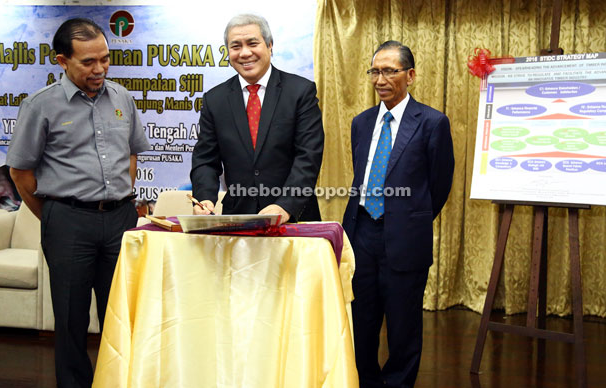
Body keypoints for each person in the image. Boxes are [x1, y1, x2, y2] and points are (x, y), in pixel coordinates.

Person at [6, 18, 150, 388]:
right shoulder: (41, 105)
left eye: (105, 58)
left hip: (120, 219)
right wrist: (55, 215)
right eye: (88, 62)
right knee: (70, 318)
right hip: (68, 221)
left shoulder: (122, 98)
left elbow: (132, 155)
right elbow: (20, 172)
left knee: (121, 311)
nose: (99, 68)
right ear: (62, 61)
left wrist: (120, 197)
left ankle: (118, 380)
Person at [342, 41, 455, 387]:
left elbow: (439, 185)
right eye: (375, 71)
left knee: (404, 328)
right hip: (361, 235)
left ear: (410, 75)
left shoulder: (432, 123)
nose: (381, 79)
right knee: (361, 322)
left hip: (405, 239)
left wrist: (409, 218)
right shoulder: (360, 123)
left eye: (390, 70)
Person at [190, 14, 324, 222]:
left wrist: (284, 205)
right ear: (228, 52)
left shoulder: (300, 92)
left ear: (270, 46)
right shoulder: (214, 100)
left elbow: (308, 157)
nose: (245, 53)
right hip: (237, 219)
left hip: (294, 218)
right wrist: (204, 198)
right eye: (236, 46)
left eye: (252, 43)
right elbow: (205, 159)